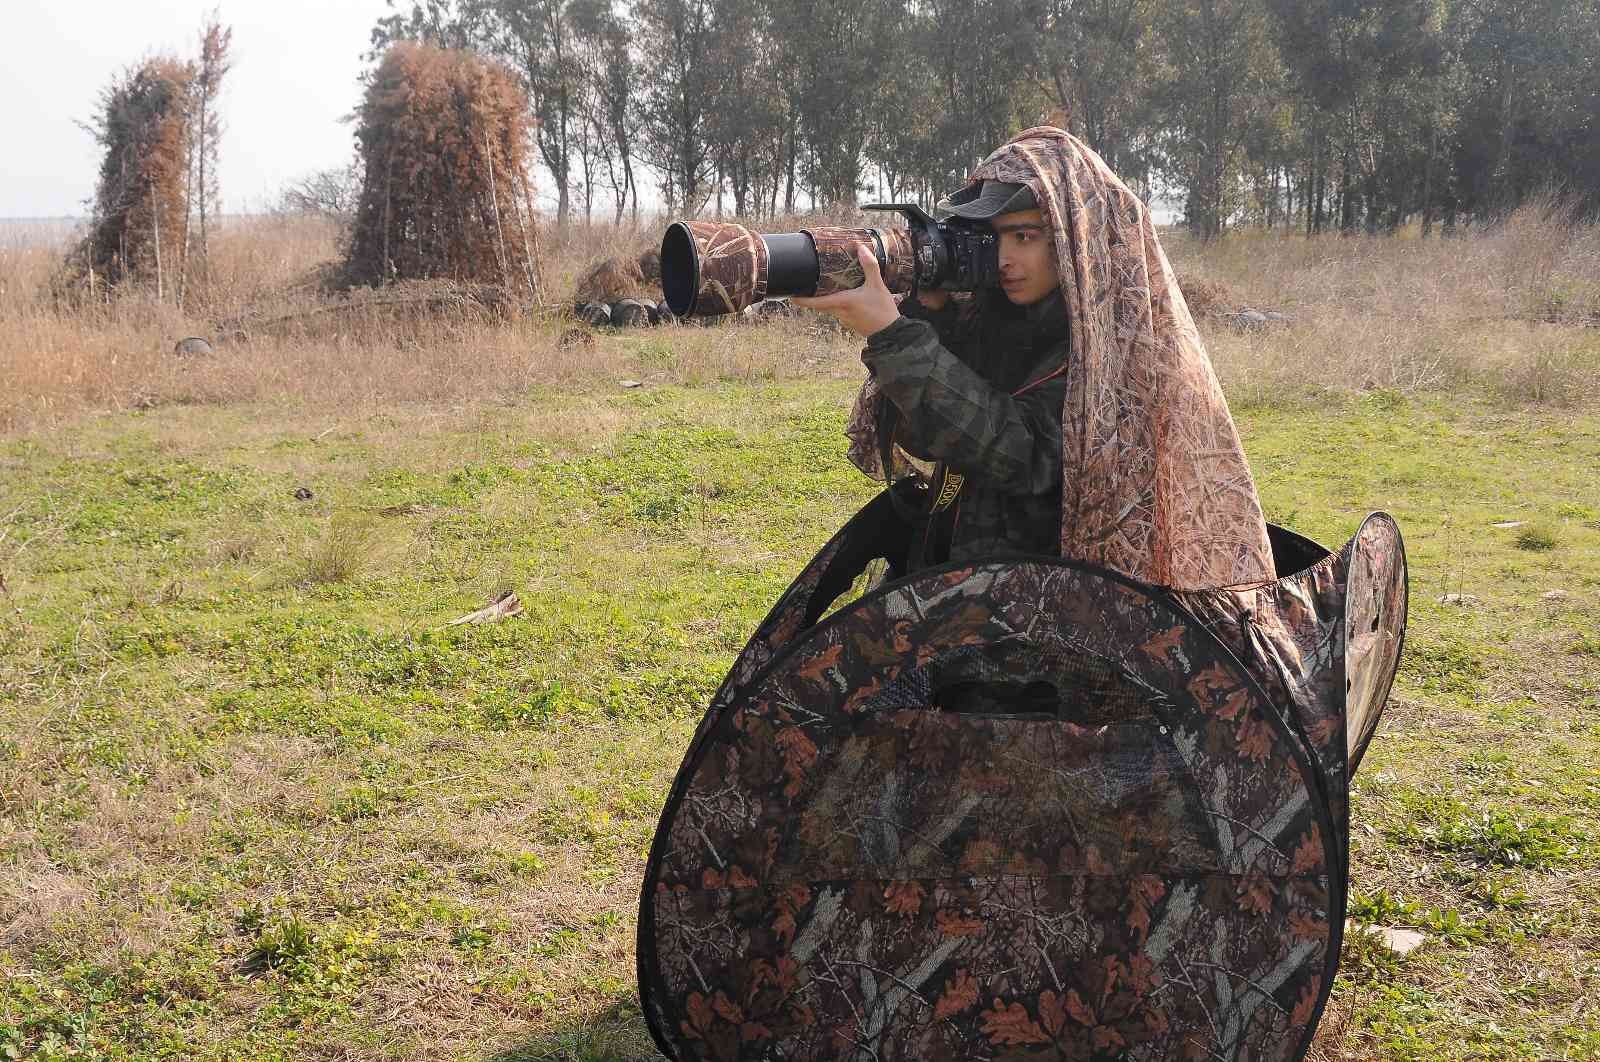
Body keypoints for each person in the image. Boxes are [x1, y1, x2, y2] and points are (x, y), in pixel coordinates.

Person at [795, 126, 1277, 592]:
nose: (1004, 259)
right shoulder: (994, 321)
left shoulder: (1118, 354)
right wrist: (933, 317)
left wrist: (895, 337)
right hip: (972, 590)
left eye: (1024, 237)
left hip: (1056, 617)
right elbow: (925, 440)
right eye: (994, 239)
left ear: (1076, 241)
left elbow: (1020, 456)